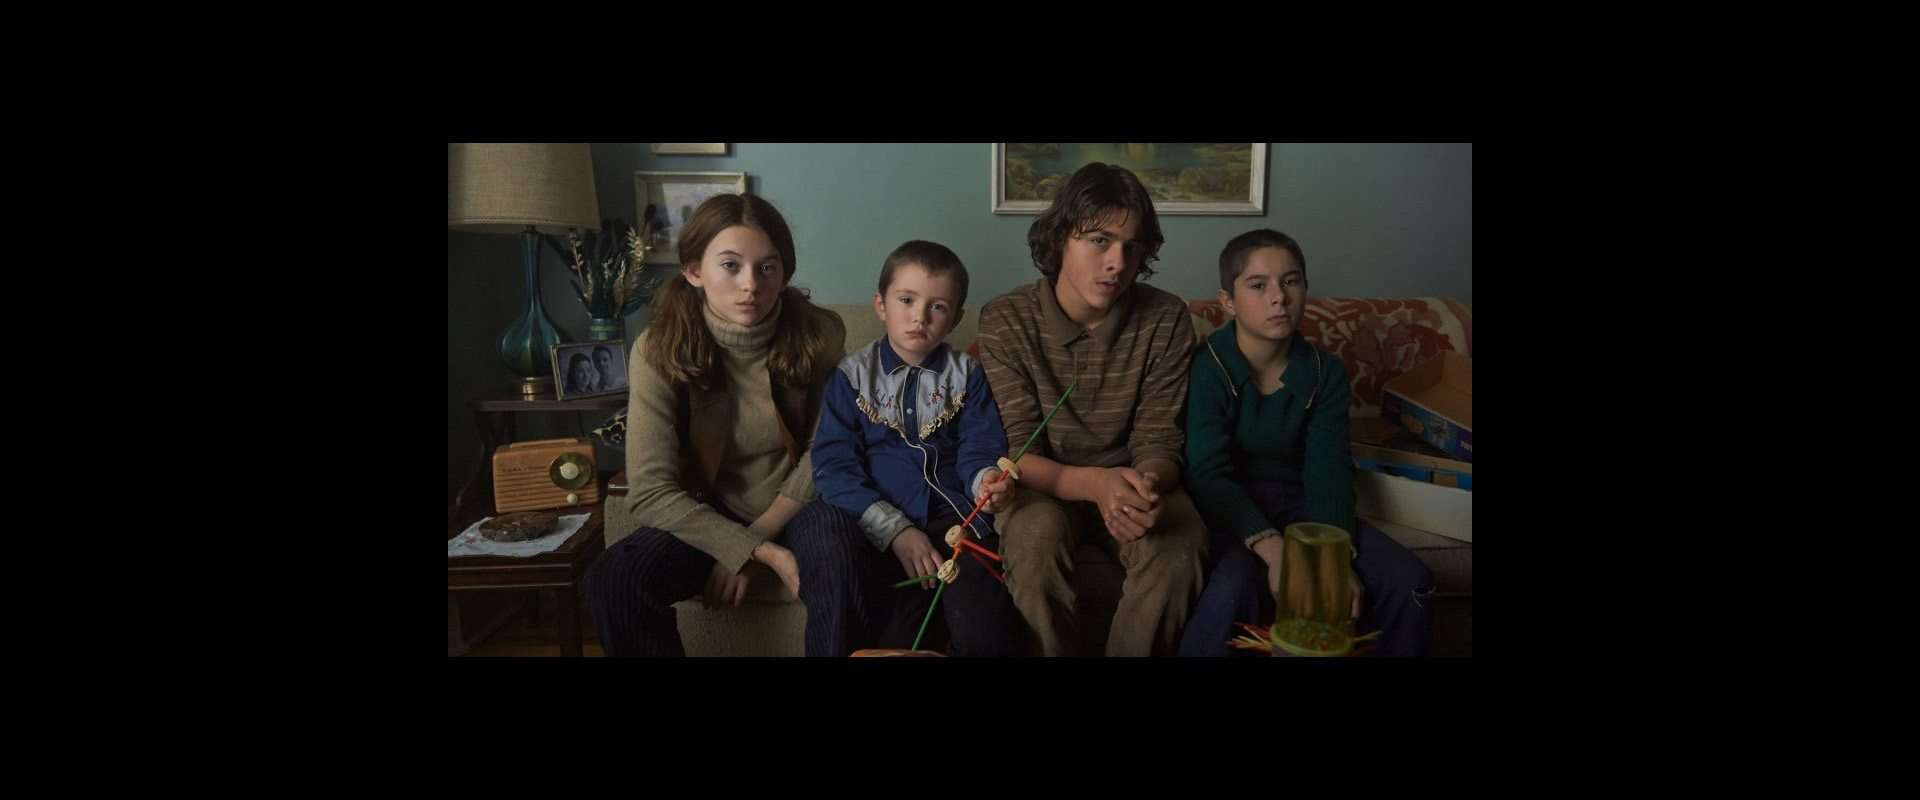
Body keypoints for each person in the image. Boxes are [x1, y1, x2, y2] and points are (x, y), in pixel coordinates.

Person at [583, 192, 870, 657]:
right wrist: (750, 550)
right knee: (615, 579)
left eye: (767, 267)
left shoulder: (820, 334)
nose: (750, 285)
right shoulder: (656, 350)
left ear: (785, 275)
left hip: (798, 505)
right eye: (731, 265)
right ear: (694, 270)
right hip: (704, 511)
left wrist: (757, 537)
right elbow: (651, 490)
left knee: (841, 555)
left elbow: (827, 453)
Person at [974, 162, 1208, 656]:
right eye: (1100, 241)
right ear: (1061, 238)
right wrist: (1096, 485)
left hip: (1131, 478)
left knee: (1177, 546)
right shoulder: (1005, 319)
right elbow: (1019, 449)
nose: (1118, 263)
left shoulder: (1166, 318)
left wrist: (1144, 486)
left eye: (1132, 247)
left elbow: (1160, 438)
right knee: (1034, 540)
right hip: (1043, 483)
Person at [1177, 229, 1435, 657]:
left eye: (1291, 281)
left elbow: (1328, 470)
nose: (1279, 297)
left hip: (1300, 505)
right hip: (1228, 510)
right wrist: (1275, 550)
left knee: (1409, 579)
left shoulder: (1324, 371)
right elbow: (1206, 474)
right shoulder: (1208, 367)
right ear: (1228, 301)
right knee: (1233, 589)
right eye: (1258, 285)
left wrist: (1332, 559)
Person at [811, 240, 1026, 655]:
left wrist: (987, 480)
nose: (919, 317)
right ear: (880, 305)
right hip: (884, 529)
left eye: (938, 307)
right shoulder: (851, 378)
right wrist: (895, 531)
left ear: (955, 317)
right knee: (900, 637)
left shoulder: (968, 375)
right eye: (906, 300)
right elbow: (834, 467)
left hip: (960, 525)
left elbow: (980, 445)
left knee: (986, 628)